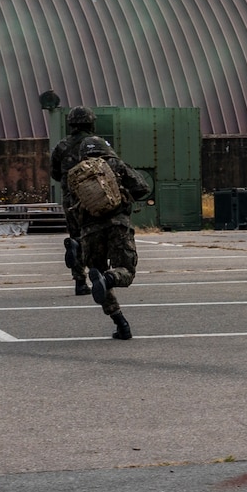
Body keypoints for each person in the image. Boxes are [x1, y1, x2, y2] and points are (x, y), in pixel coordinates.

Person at [64, 135, 151, 341]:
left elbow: (72, 210)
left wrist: (77, 235)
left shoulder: (76, 175)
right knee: (125, 272)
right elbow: (142, 188)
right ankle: (110, 278)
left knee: (98, 276)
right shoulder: (115, 164)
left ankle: (121, 324)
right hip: (117, 226)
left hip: (89, 232)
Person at [50, 106, 99, 295]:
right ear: (91, 123)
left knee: (76, 235)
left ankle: (80, 282)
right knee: (96, 236)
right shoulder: (98, 143)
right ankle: (99, 276)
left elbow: (55, 173)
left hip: (71, 200)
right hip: (94, 198)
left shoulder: (61, 146)